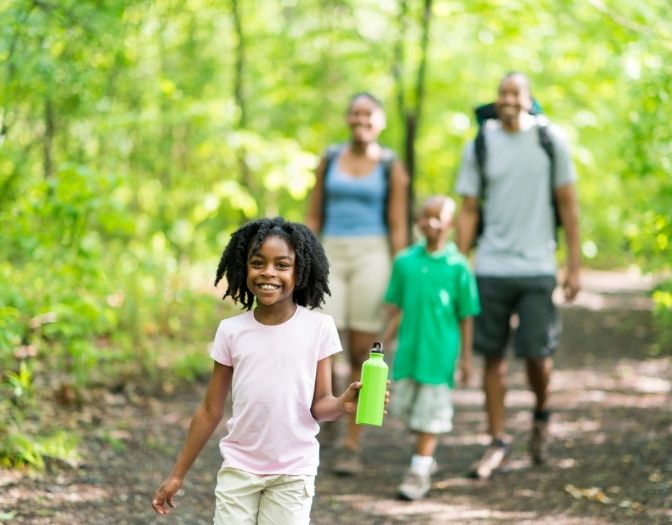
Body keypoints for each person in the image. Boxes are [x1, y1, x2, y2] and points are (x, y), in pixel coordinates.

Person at [151, 217, 384, 524]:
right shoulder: (231, 331)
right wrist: (177, 475)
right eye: (258, 263)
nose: (268, 273)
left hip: (293, 472)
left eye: (282, 264)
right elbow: (210, 410)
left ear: (299, 271)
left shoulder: (319, 328)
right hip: (239, 469)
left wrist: (342, 404)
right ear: (243, 267)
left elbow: (320, 407)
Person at [455, 72, 581, 479]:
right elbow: (470, 207)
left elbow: (568, 204)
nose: (508, 99)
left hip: (538, 265)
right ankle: (497, 439)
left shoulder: (551, 140)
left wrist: (573, 264)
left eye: (516, 93)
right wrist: (459, 262)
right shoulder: (480, 143)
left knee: (536, 354)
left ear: (528, 99)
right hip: (491, 265)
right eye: (503, 93)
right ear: (496, 99)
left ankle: (542, 414)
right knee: (492, 356)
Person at [305, 92, 409, 475]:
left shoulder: (390, 165)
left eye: (368, 114)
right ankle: (324, 414)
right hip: (330, 250)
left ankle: (352, 441)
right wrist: (301, 257)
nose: (361, 120)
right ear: (347, 118)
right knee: (322, 344)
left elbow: (398, 225)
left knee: (363, 351)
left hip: (373, 255)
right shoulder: (330, 158)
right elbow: (313, 215)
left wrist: (402, 278)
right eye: (355, 113)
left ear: (380, 121)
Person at [381, 195, 480, 500]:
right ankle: (425, 457)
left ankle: (419, 469)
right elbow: (396, 309)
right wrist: (382, 343)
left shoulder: (458, 266)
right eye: (425, 216)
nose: (431, 223)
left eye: (438, 217)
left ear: (450, 224)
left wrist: (465, 359)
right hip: (409, 353)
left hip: (439, 355)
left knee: (430, 414)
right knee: (408, 412)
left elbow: (466, 316)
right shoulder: (405, 262)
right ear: (417, 222)